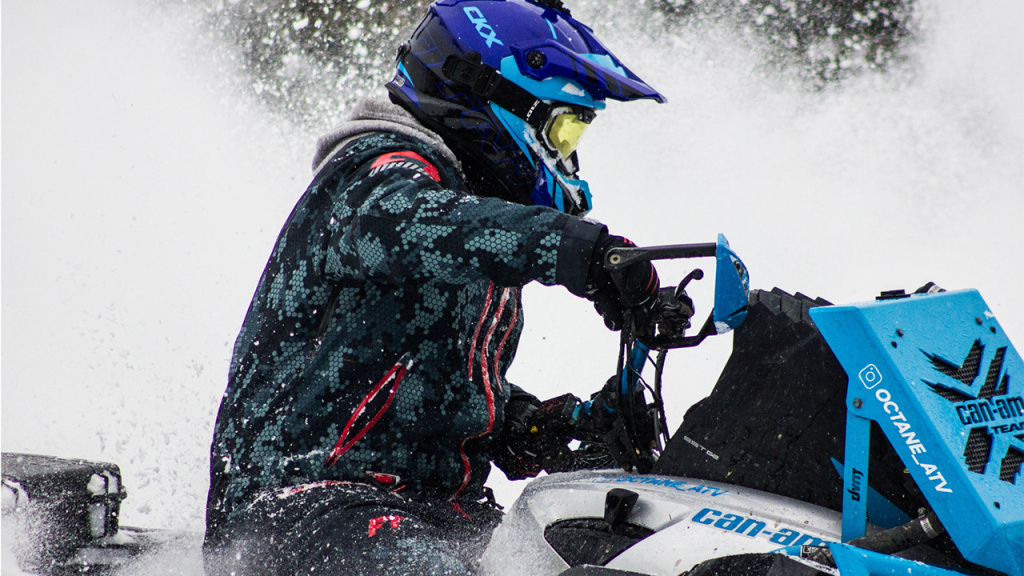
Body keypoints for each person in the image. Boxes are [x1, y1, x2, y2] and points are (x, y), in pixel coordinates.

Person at [203, 0, 667, 573]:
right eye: (562, 131)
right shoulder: (378, 174)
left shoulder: (465, 211)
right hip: (304, 506)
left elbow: (425, 387)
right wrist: (579, 251)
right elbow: (405, 228)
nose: (567, 161)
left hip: (431, 514)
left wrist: (551, 429)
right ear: (489, 96)